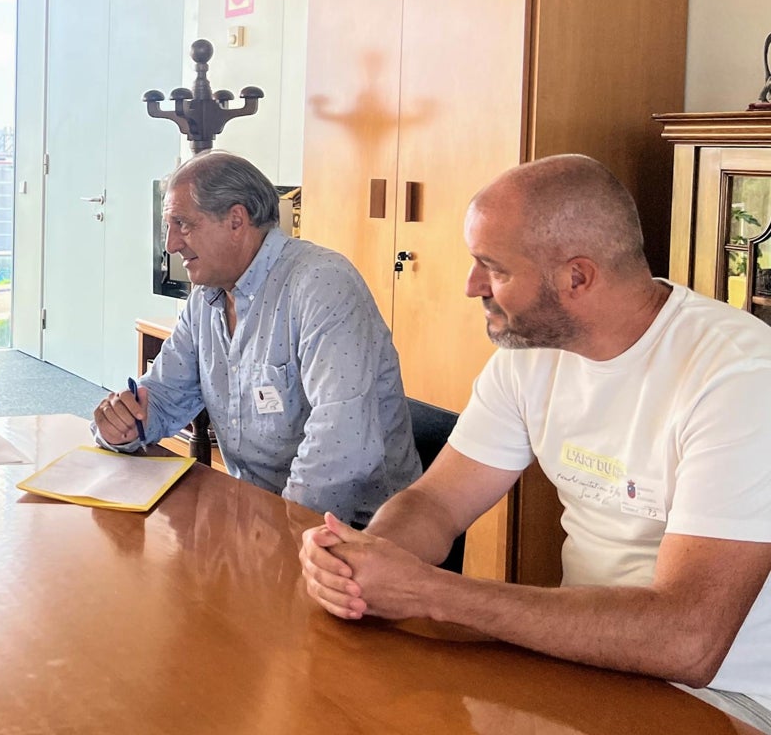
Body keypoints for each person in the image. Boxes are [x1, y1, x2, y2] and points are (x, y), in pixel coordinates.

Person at [299, 154, 771, 729]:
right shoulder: (530, 356)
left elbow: (689, 640)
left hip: (727, 700)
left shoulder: (739, 378)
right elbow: (437, 502)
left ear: (577, 276)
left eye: (492, 268)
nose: (471, 286)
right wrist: (368, 563)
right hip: (586, 664)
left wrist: (430, 593)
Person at [92, 150, 420, 526]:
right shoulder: (206, 297)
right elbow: (165, 396)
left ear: (236, 220)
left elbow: (340, 449)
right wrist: (123, 425)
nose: (171, 245)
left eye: (182, 224)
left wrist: (276, 539)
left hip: (356, 532)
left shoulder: (320, 284)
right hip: (258, 520)